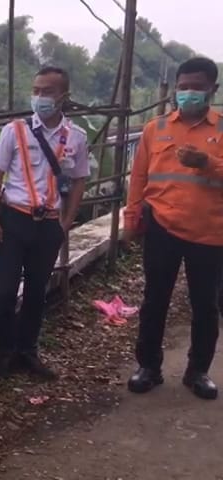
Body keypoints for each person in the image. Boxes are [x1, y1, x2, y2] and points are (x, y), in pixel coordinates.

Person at [124, 57, 223, 400]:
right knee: (155, 299)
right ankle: (148, 367)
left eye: (196, 87)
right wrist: (132, 217)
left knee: (205, 304)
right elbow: (138, 177)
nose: (188, 93)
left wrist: (207, 163)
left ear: (214, 89)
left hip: (210, 231)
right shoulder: (156, 128)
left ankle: (198, 372)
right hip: (162, 225)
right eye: (183, 87)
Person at [0, 66, 90, 380]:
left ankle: (28, 351)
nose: (39, 97)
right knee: (3, 291)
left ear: (63, 97)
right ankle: (4, 351)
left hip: (48, 226)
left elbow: (80, 179)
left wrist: (65, 223)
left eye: (47, 92)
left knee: (35, 292)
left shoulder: (76, 138)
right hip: (13, 220)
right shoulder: (14, 130)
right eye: (37, 90)